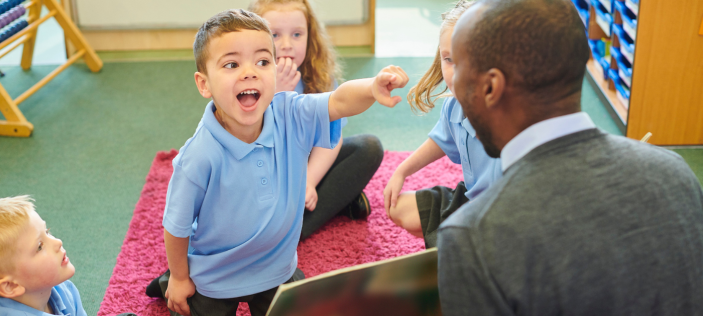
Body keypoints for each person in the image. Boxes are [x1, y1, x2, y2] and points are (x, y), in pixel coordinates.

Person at [438, 0, 703, 315]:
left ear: (491, 86)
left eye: (460, 67)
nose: (453, 83)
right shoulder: (675, 172)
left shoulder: (474, 237)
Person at [157, 9, 408, 316]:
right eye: (232, 64)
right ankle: (167, 281)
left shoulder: (289, 110)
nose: (250, 72)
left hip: (275, 269)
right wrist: (181, 277)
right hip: (215, 277)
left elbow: (339, 101)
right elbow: (176, 225)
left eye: (263, 62)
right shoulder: (197, 157)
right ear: (204, 84)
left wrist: (371, 87)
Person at [250, 0, 384, 239]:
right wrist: (277, 94)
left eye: (297, 34)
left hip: (305, 165)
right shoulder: (246, 81)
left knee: (369, 147)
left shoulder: (318, 75)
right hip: (263, 173)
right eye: (275, 35)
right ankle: (336, 202)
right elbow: (254, 147)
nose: (287, 45)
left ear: (310, 37)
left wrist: (309, 182)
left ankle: (292, 232)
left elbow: (331, 138)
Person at [383, 0, 501, 248]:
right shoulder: (452, 106)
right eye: (448, 59)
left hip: (503, 216)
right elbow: (440, 140)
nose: (456, 73)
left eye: (468, 59)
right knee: (399, 208)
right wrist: (401, 171)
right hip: (471, 201)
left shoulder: (504, 115)